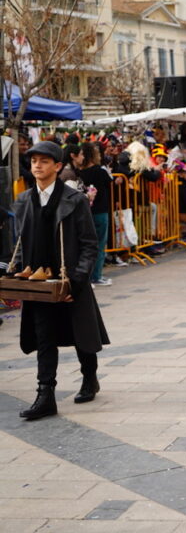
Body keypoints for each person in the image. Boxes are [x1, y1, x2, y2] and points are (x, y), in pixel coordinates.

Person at [10, 141, 110, 420]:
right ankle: (46, 395)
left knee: (81, 335)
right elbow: (19, 244)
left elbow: (90, 245)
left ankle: (89, 377)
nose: (37, 166)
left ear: (57, 166)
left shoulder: (74, 200)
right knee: (44, 337)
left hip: (70, 279)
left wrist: (76, 282)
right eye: (33, 161)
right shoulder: (23, 201)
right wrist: (17, 277)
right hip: (39, 283)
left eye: (44, 161)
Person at [75, 142, 114, 286]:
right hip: (100, 211)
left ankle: (87, 275)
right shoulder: (99, 171)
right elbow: (111, 181)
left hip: (84, 213)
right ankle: (96, 275)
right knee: (99, 244)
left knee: (85, 246)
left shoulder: (78, 173)